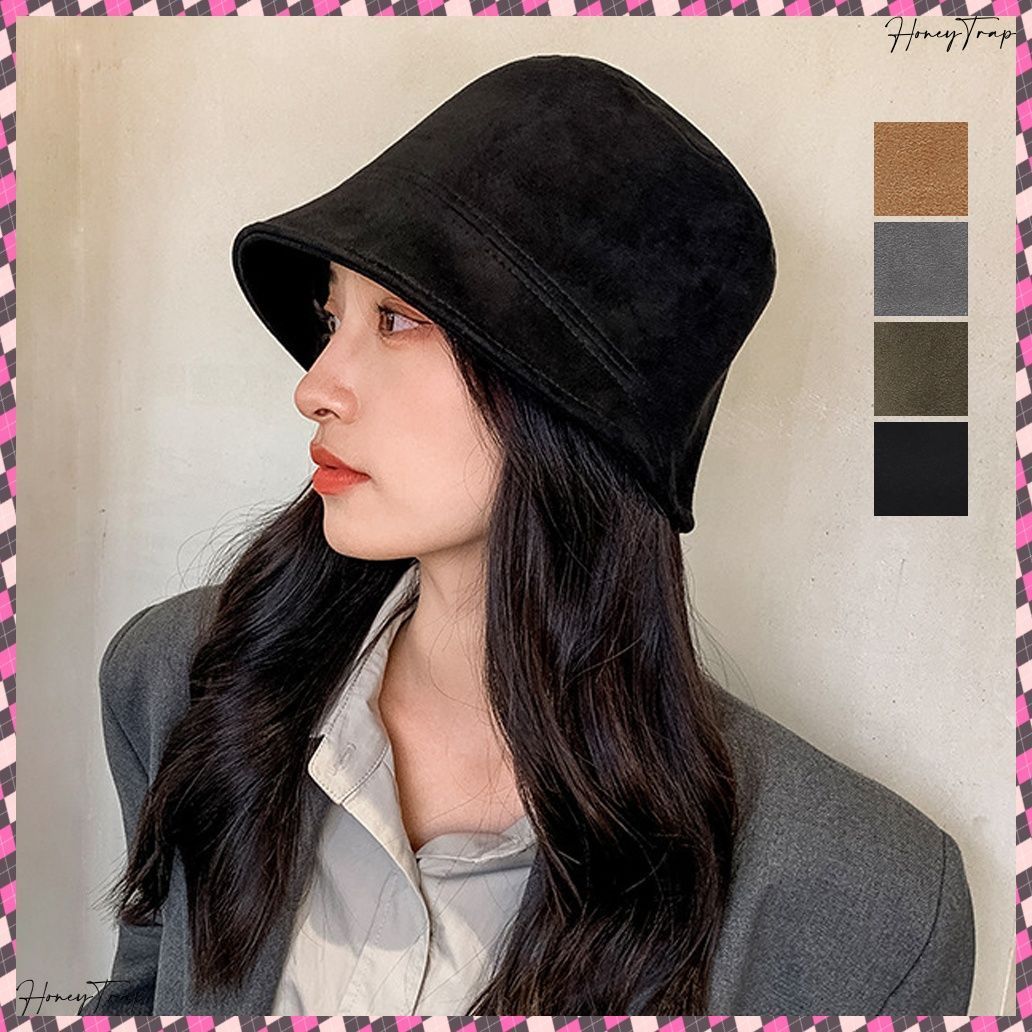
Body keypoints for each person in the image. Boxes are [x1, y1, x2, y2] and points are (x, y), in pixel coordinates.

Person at [82, 54, 975, 1018]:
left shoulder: (866, 906)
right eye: (331, 316)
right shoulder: (188, 683)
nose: (314, 386)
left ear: (569, 407)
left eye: (396, 318)